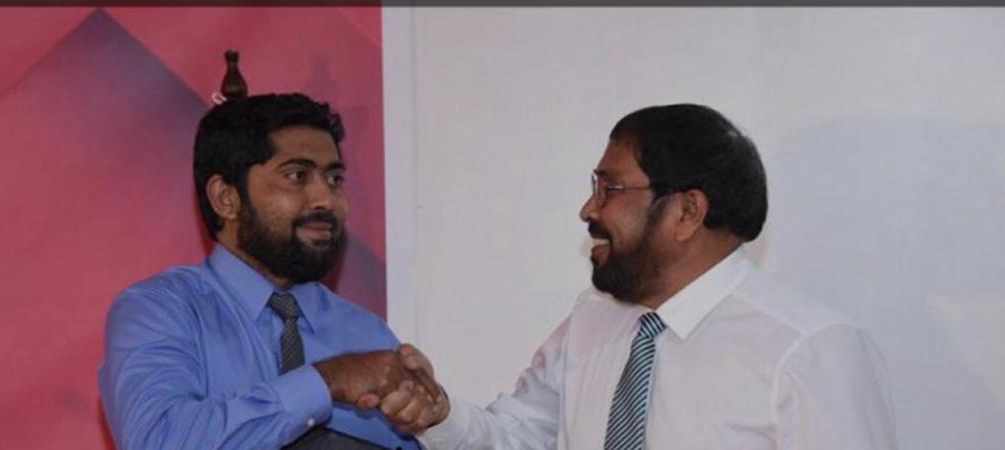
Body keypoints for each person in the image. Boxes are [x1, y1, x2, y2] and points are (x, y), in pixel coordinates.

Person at [383, 104, 898, 449]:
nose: (589, 209)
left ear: (687, 212)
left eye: (611, 189)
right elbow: (523, 437)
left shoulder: (810, 350)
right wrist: (439, 415)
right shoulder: (593, 321)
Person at [99, 93, 442, 449]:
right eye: (297, 176)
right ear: (226, 198)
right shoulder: (160, 311)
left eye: (334, 179)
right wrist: (328, 381)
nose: (326, 200)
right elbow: (158, 440)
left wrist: (437, 418)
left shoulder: (368, 334)